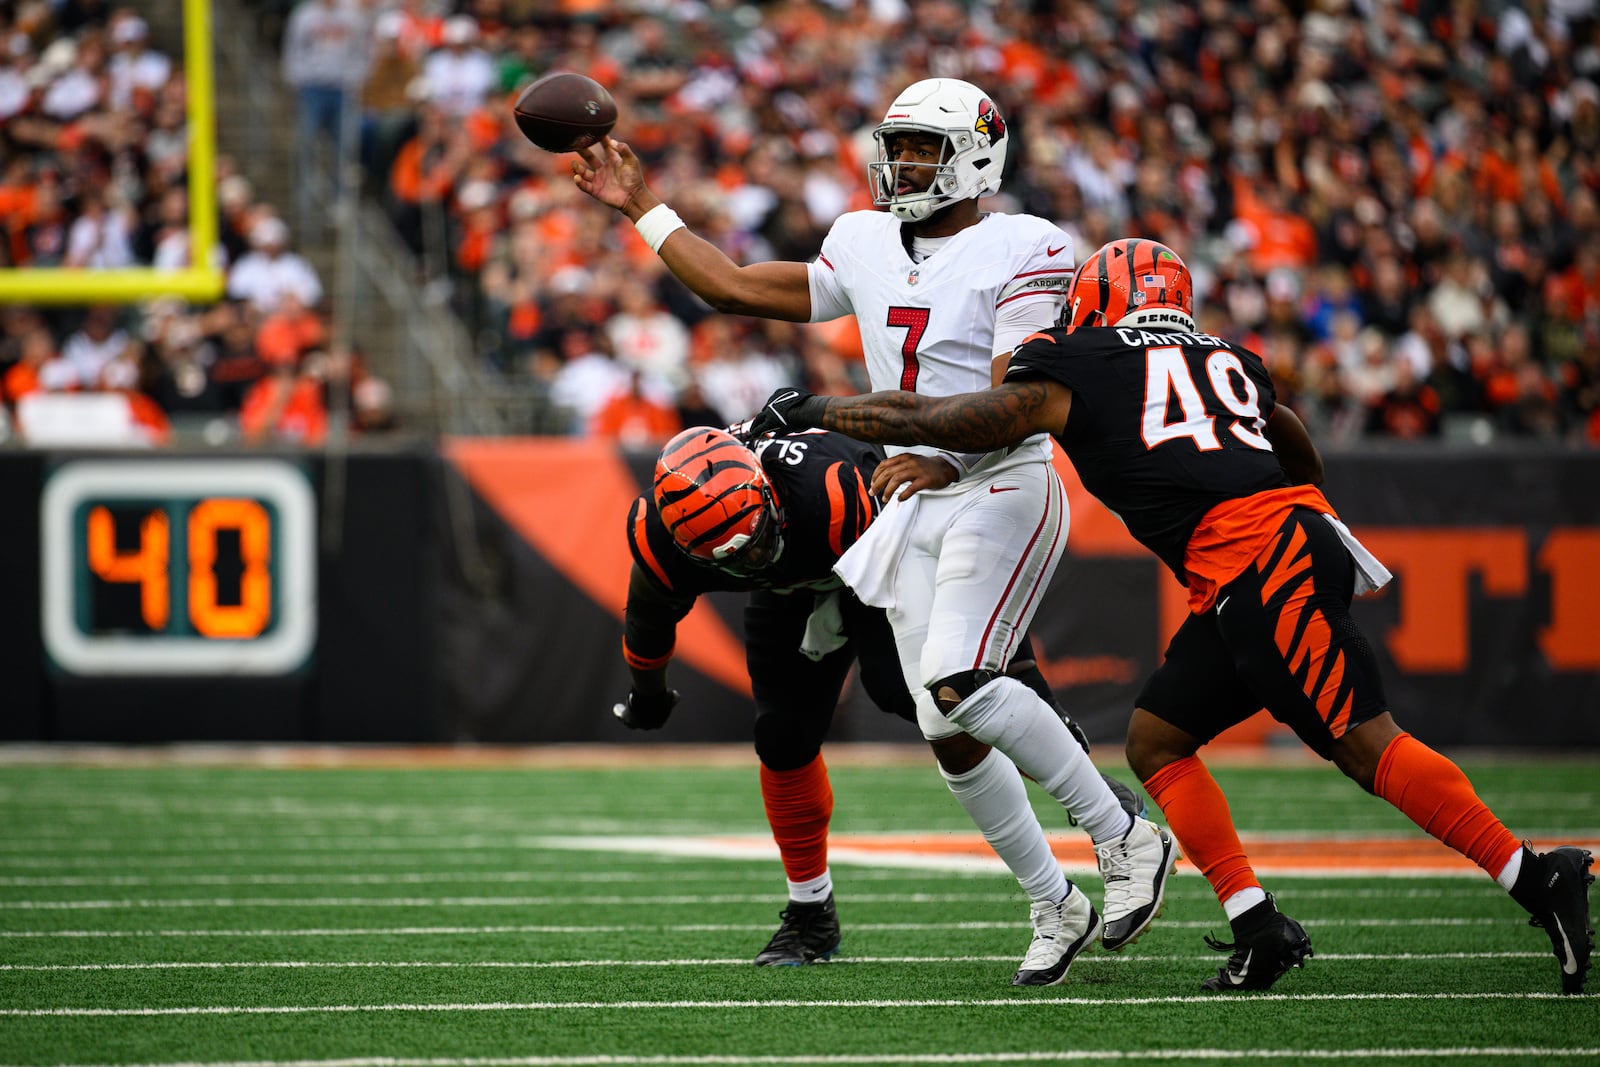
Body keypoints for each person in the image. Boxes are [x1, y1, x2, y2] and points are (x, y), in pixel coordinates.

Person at [742, 237, 1596, 996]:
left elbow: (966, 416)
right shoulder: (1230, 353)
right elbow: (1297, 443)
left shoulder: (1081, 356)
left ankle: (1534, 874)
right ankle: (1258, 924)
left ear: (1099, 297)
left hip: (1263, 560)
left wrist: (824, 410)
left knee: (1363, 742)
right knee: (1156, 740)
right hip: (1265, 552)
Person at [575, 78, 1177, 982]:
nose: (902, 164)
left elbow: (1021, 398)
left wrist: (938, 449)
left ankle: (1122, 832)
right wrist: (646, 209)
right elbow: (738, 284)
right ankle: (1054, 898)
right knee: (944, 721)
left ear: (977, 156)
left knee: (962, 679)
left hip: (997, 479)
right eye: (897, 146)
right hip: (910, 493)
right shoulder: (861, 238)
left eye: (924, 149)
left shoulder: (1026, 244)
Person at [622, 425, 1142, 979]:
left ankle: (1083, 782)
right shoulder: (661, 540)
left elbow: (960, 582)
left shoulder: (836, 486)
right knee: (781, 736)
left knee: (923, 694)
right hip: (796, 590)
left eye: (758, 538)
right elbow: (648, 620)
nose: (755, 558)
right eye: (736, 558)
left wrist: (1021, 675)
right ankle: (810, 913)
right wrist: (646, 694)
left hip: (887, 546)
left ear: (765, 487)